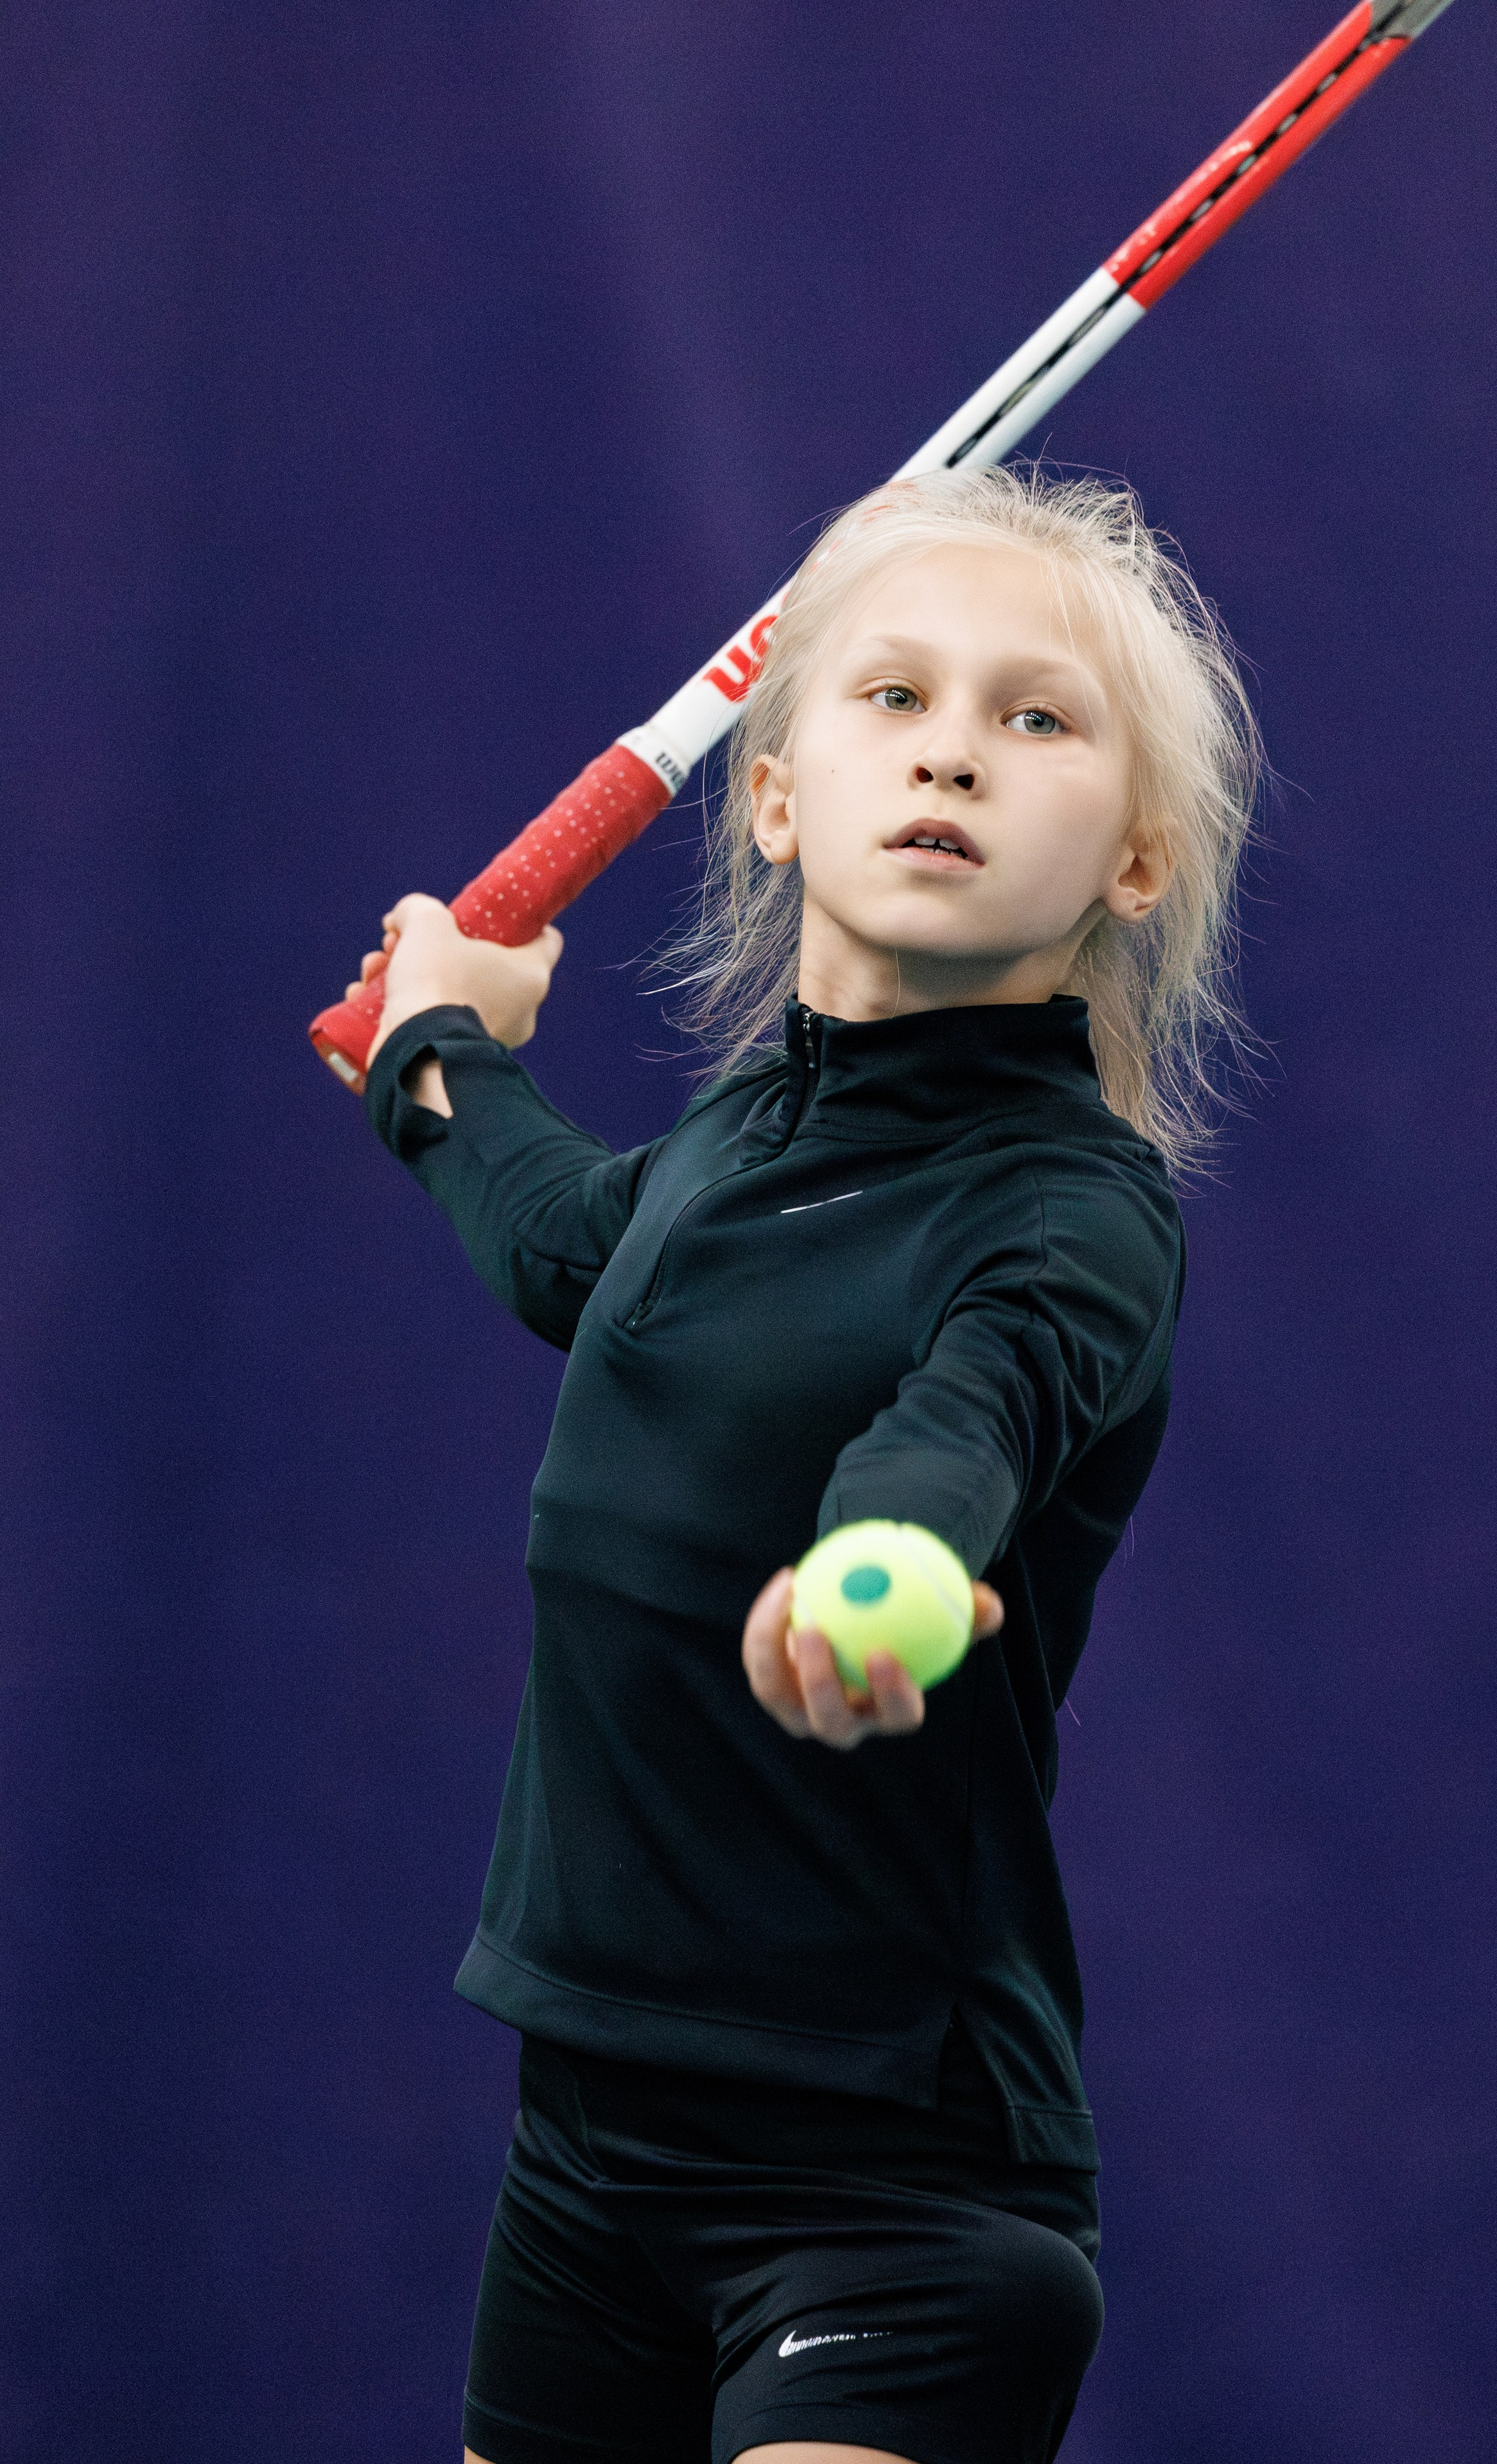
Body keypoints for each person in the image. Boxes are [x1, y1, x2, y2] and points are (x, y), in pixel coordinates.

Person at [349, 463, 1257, 2464]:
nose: (955, 753)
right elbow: (565, 1249)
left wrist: (879, 1582)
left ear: (1133, 859)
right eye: (894, 700)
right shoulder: (722, 1157)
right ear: (775, 797)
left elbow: (966, 1431)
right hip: (583, 2162)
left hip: (901, 2193)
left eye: (1037, 720)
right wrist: (443, 1057)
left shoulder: (1075, 1215)